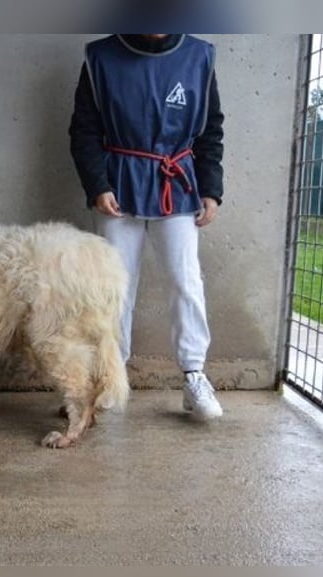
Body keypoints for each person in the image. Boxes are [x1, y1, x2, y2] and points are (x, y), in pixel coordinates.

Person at [68, 34, 224, 420]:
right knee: (114, 288)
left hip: (177, 184)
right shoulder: (100, 58)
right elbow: (84, 131)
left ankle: (194, 375)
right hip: (117, 185)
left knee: (185, 280)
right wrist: (97, 184)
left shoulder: (199, 57)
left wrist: (211, 189)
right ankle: (110, 378)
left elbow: (210, 132)